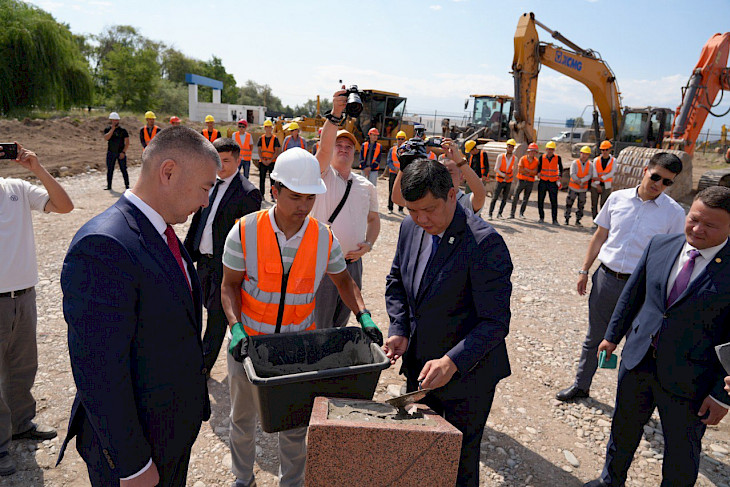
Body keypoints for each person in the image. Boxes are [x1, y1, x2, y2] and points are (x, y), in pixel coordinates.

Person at [58, 126, 218, 486]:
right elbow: (98, 372)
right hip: (138, 450)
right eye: (206, 188)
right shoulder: (104, 245)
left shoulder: (158, 231)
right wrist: (131, 465)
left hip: (168, 433)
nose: (207, 201)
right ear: (169, 172)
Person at [221, 148, 382, 487]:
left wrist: (363, 315)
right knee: (242, 419)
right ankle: (242, 479)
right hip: (248, 345)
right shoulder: (244, 232)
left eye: (310, 198)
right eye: (295, 197)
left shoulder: (324, 238)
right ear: (274, 191)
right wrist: (235, 328)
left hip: (297, 349)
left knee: (294, 426)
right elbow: (229, 286)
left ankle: (291, 483)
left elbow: (344, 281)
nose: (303, 207)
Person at [584, 186, 730, 487]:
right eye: (693, 219)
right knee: (623, 429)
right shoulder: (662, 244)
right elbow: (633, 295)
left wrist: (722, 395)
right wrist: (612, 337)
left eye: (710, 225)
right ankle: (610, 481)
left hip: (692, 379)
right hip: (637, 360)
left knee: (681, 449)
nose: (697, 229)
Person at [384, 158, 512, 487]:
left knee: (457, 461)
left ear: (453, 195)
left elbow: (495, 323)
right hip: (421, 368)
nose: (421, 219)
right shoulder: (410, 227)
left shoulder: (485, 244)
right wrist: (399, 328)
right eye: (413, 210)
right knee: (422, 453)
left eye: (429, 209)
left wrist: (452, 361)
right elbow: (397, 280)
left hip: (468, 377)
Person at [556, 152, 686, 402]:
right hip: (607, 280)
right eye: (656, 176)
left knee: (637, 346)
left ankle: (630, 402)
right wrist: (584, 270)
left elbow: (674, 257)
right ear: (645, 171)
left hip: (644, 289)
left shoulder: (674, 214)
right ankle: (581, 386)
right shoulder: (617, 199)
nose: (658, 184)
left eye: (666, 182)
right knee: (595, 337)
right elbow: (599, 236)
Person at [0, 143, 73, 476]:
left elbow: (65, 206)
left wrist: (37, 169)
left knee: (22, 365)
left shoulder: (16, 188)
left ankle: (20, 424)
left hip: (24, 295)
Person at [183, 138, 261, 376]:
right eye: (217, 160)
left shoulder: (248, 193)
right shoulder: (209, 184)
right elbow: (198, 222)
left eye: (226, 160)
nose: (221, 165)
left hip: (224, 267)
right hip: (202, 262)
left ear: (239, 160)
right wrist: (185, 254)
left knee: (216, 318)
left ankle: (203, 367)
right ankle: (195, 356)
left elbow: (249, 238)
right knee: (197, 311)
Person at [312, 88, 380, 330]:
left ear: (355, 151)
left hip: (353, 265)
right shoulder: (322, 177)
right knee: (319, 325)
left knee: (341, 324)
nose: (343, 148)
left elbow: (374, 220)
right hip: (324, 266)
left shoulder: (365, 185)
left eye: (348, 146)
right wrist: (335, 114)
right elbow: (323, 150)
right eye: (338, 144)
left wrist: (368, 245)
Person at [440, 141, 486, 218]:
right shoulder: (430, 198)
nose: (444, 177)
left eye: (450, 173)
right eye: (439, 173)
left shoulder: (465, 202)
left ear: (461, 177)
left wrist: (459, 161)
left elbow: (480, 195)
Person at [488, 138, 517, 219]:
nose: (510, 148)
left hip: (509, 181)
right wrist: (504, 175)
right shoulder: (500, 156)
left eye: (512, 147)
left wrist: (510, 176)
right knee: (495, 197)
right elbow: (496, 169)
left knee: (505, 199)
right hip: (500, 180)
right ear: (506, 147)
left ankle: (499, 214)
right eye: (509, 146)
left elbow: (514, 170)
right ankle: (490, 214)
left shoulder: (515, 159)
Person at [565, 145, 593, 226]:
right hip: (573, 187)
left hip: (583, 189)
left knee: (581, 205)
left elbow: (589, 175)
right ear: (580, 153)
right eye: (583, 154)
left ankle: (578, 220)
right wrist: (577, 181)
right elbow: (572, 173)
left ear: (588, 155)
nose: (584, 156)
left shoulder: (590, 164)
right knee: (569, 203)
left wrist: (581, 181)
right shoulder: (575, 163)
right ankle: (567, 218)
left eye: (586, 154)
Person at [510, 142, 539, 219]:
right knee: (516, 196)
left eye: (534, 151)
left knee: (526, 199)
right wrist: (530, 171)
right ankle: (512, 214)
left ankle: (521, 213)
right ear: (528, 151)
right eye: (531, 151)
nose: (532, 153)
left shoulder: (536, 161)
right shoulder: (523, 159)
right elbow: (520, 170)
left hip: (530, 182)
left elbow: (535, 172)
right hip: (521, 180)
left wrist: (527, 170)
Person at [537, 140, 563, 225]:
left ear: (554, 150)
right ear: (546, 149)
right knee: (540, 200)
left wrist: (559, 176)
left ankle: (554, 219)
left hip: (553, 182)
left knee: (554, 202)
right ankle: (541, 217)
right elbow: (539, 167)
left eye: (551, 149)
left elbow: (561, 168)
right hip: (543, 181)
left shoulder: (558, 158)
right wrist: (538, 173)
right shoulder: (542, 157)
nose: (550, 151)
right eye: (548, 149)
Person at [103, 111, 130, 190]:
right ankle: (109, 186)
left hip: (120, 153)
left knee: (123, 169)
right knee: (110, 169)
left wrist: (123, 152)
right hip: (111, 152)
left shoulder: (123, 130)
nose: (116, 122)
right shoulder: (107, 129)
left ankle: (127, 186)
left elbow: (127, 142)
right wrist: (112, 129)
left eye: (117, 120)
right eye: (114, 120)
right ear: (111, 120)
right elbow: (106, 138)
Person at [590, 140, 616, 222]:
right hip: (595, 185)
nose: (604, 152)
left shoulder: (613, 160)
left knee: (604, 204)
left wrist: (602, 178)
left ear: (610, 150)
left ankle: (601, 221)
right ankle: (594, 219)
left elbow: (612, 172)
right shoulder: (596, 160)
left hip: (607, 184)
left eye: (606, 149)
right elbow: (594, 173)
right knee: (594, 203)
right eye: (603, 150)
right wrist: (597, 184)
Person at [257, 119, 281, 202]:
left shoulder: (275, 139)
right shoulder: (261, 138)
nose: (268, 129)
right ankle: (261, 195)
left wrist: (270, 160)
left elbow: (277, 150)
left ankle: (272, 195)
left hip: (272, 162)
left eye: (270, 127)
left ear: (272, 128)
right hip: (263, 161)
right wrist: (263, 160)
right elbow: (259, 150)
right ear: (264, 128)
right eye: (267, 127)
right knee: (262, 179)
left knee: (272, 180)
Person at [387, 131, 407, 213]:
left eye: (402, 139)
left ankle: (400, 209)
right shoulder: (393, 149)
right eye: (399, 139)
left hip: (403, 174)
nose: (400, 140)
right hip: (393, 173)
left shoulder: (407, 150)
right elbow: (389, 161)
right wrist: (393, 168)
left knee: (402, 191)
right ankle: (390, 208)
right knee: (391, 190)